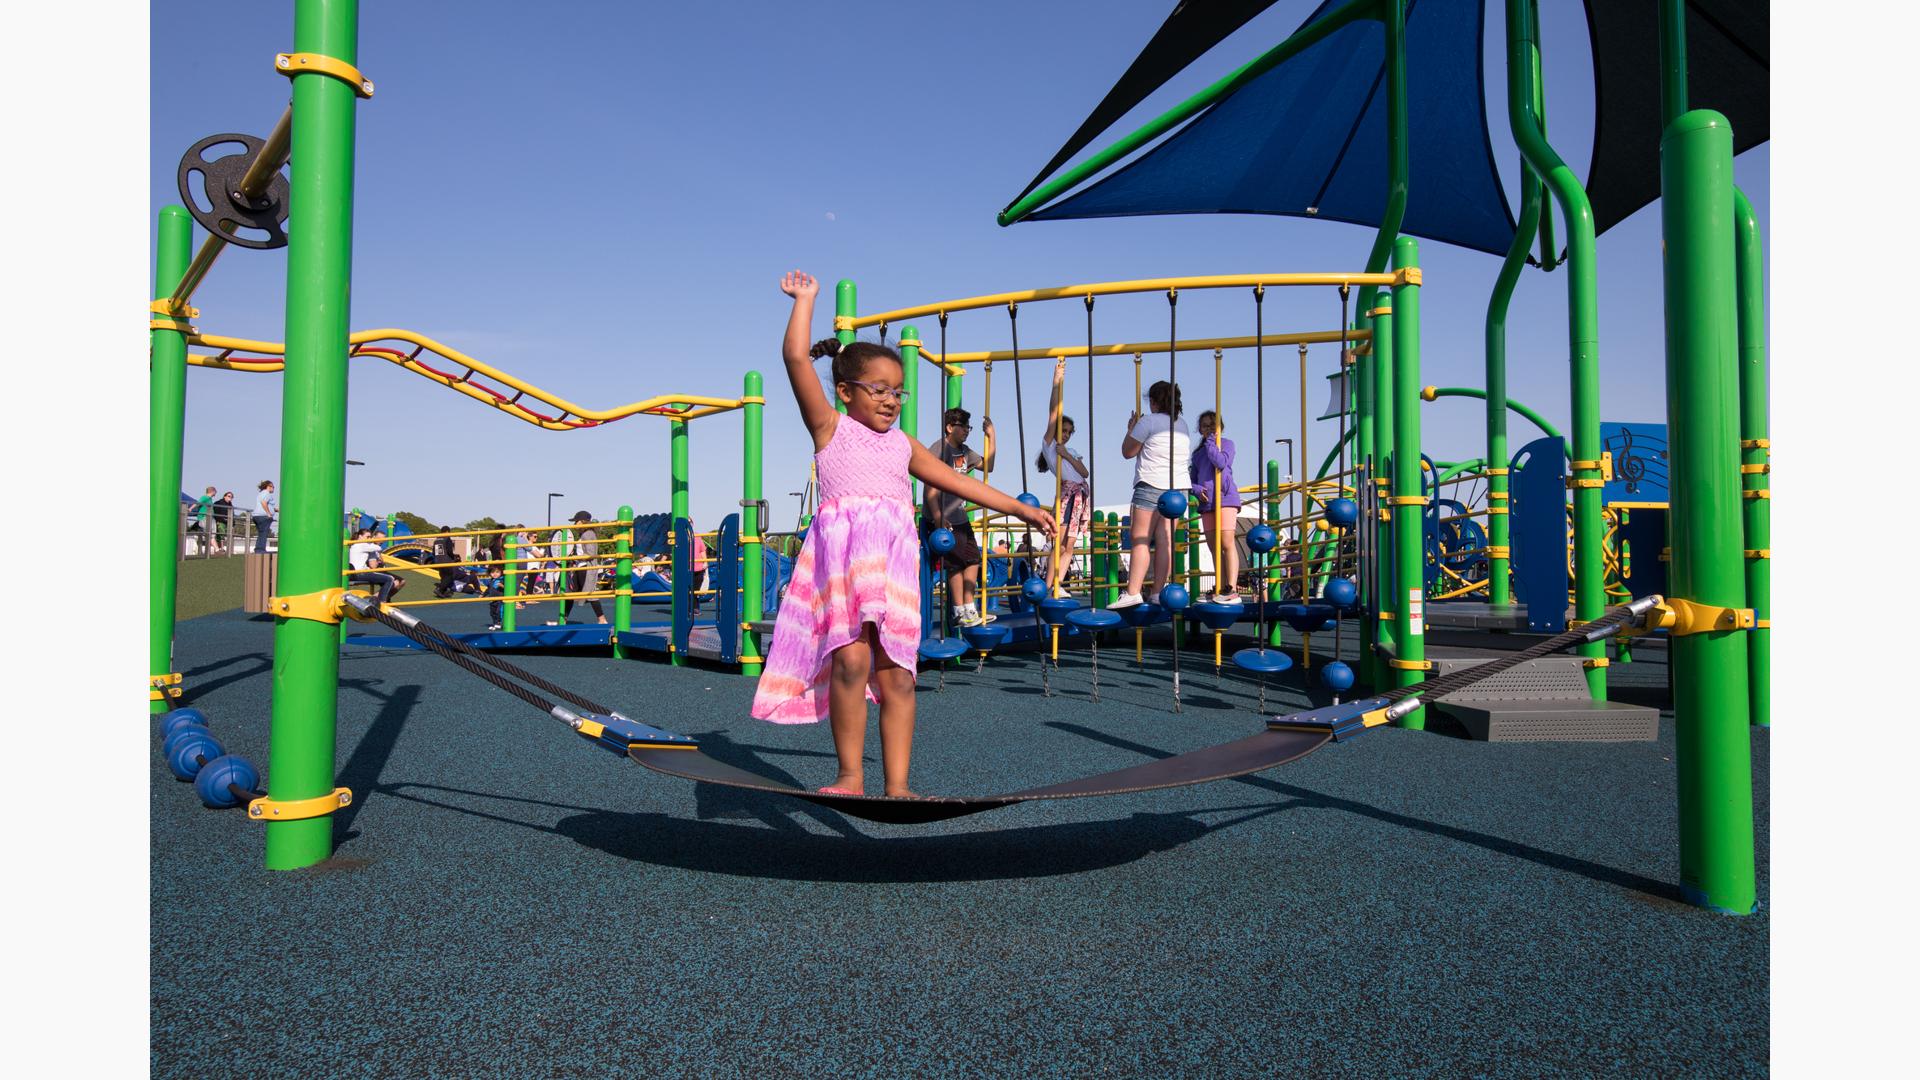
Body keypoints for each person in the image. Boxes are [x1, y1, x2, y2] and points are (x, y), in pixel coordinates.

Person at [752, 270, 1053, 799]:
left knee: (898, 673)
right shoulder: (830, 427)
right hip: (845, 565)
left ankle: (899, 785)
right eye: (879, 390)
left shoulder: (903, 445)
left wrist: (1018, 509)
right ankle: (850, 775)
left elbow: (958, 481)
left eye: (898, 391)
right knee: (851, 659)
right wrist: (806, 300)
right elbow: (797, 359)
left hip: (891, 568)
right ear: (845, 392)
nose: (891, 400)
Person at [1110, 380, 1191, 608]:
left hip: (1150, 484)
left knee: (1141, 539)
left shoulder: (1148, 422)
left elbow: (1128, 451)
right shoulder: (1182, 424)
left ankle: (1133, 591)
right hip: (1178, 488)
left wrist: (1131, 429)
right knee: (1165, 540)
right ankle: (1157, 592)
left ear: (1154, 402)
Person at [920, 405, 996, 627]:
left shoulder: (965, 452)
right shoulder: (939, 450)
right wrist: (936, 517)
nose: (966, 431)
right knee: (954, 565)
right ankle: (958, 611)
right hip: (943, 517)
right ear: (949, 427)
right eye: (963, 427)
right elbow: (930, 486)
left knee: (973, 560)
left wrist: (992, 437)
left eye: (968, 428)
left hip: (960, 516)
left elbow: (988, 466)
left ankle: (969, 608)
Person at [1036, 359, 1090, 597]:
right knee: (1059, 541)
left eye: (1069, 432)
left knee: (1069, 544)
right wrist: (1056, 381)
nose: (1065, 435)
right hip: (1068, 495)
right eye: (1063, 431)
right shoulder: (1050, 446)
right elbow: (1053, 413)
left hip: (1080, 494)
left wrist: (1067, 454)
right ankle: (1048, 585)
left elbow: (1085, 472)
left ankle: (1058, 583)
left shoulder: (1067, 451)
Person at [1190, 410, 1243, 603]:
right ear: (1200, 429)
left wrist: (1212, 443)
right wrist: (1196, 489)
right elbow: (1192, 479)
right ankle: (1220, 585)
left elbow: (1220, 463)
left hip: (1225, 497)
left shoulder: (1227, 444)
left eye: (1213, 424)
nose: (1209, 428)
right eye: (1205, 425)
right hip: (1207, 501)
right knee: (1213, 547)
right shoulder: (1197, 454)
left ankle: (1232, 587)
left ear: (1220, 426)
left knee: (1227, 542)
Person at [552, 510, 608, 625]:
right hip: (581, 568)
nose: (574, 524)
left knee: (590, 594)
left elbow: (590, 553)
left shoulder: (587, 534)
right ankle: (563, 619)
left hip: (585, 569)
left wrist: (574, 558)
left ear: (582, 522)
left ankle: (602, 619)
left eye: (576, 521)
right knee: (571, 594)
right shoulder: (585, 534)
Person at [346, 526, 405, 605]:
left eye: (370, 537)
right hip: (360, 573)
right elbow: (377, 548)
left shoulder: (357, 545)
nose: (370, 539)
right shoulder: (361, 545)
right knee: (390, 579)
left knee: (391, 580)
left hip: (360, 571)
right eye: (368, 537)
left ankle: (380, 600)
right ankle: (381, 602)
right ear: (360, 536)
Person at [188, 486, 217, 556]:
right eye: (215, 491)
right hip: (204, 517)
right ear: (213, 491)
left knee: (212, 534)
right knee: (209, 534)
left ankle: (217, 549)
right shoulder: (205, 497)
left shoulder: (209, 499)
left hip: (210, 517)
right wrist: (190, 508)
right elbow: (198, 503)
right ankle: (216, 549)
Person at [251, 481, 277, 553]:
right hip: (263, 516)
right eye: (273, 487)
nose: (273, 489)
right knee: (263, 533)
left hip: (257, 516)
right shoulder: (266, 493)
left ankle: (258, 549)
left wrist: (275, 510)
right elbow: (264, 502)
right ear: (268, 486)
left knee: (261, 533)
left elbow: (266, 504)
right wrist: (269, 514)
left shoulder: (261, 493)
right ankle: (260, 550)